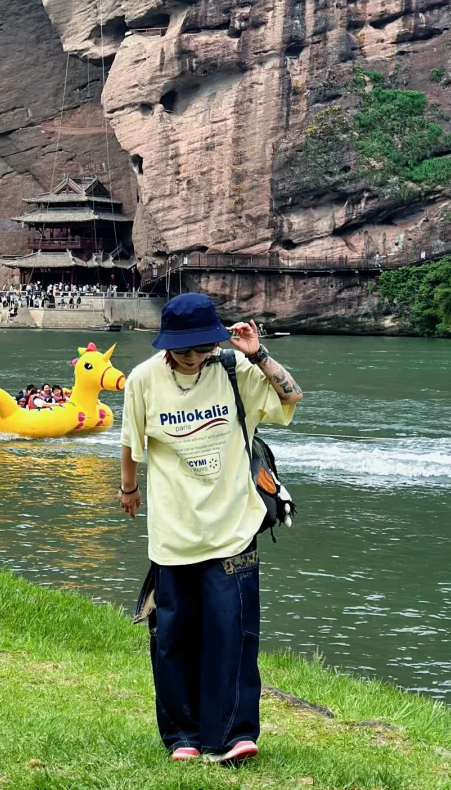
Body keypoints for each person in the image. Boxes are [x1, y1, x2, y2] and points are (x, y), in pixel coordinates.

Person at [119, 293, 302, 765]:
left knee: (234, 632)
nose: (192, 356)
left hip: (233, 526)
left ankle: (233, 734)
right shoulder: (143, 380)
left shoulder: (234, 371)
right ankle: (183, 736)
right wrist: (127, 490)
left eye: (201, 347)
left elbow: (291, 397)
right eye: (184, 348)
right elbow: (130, 442)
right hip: (173, 531)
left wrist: (257, 354)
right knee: (174, 635)